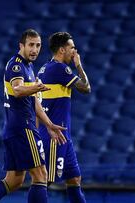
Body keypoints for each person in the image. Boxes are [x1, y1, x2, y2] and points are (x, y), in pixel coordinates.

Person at [0, 29, 67, 203]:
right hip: (23, 128)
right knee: (41, 175)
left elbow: (33, 102)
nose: (34, 49)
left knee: (14, 181)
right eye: (31, 45)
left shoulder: (29, 67)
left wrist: (49, 124)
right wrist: (37, 88)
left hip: (13, 129)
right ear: (21, 46)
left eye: (38, 45)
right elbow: (18, 90)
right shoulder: (16, 65)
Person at [37, 32, 91, 203]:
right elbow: (86, 88)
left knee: (74, 179)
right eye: (72, 48)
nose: (74, 51)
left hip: (63, 136)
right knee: (45, 180)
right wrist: (79, 65)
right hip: (55, 136)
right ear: (62, 50)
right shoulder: (60, 68)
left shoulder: (46, 67)